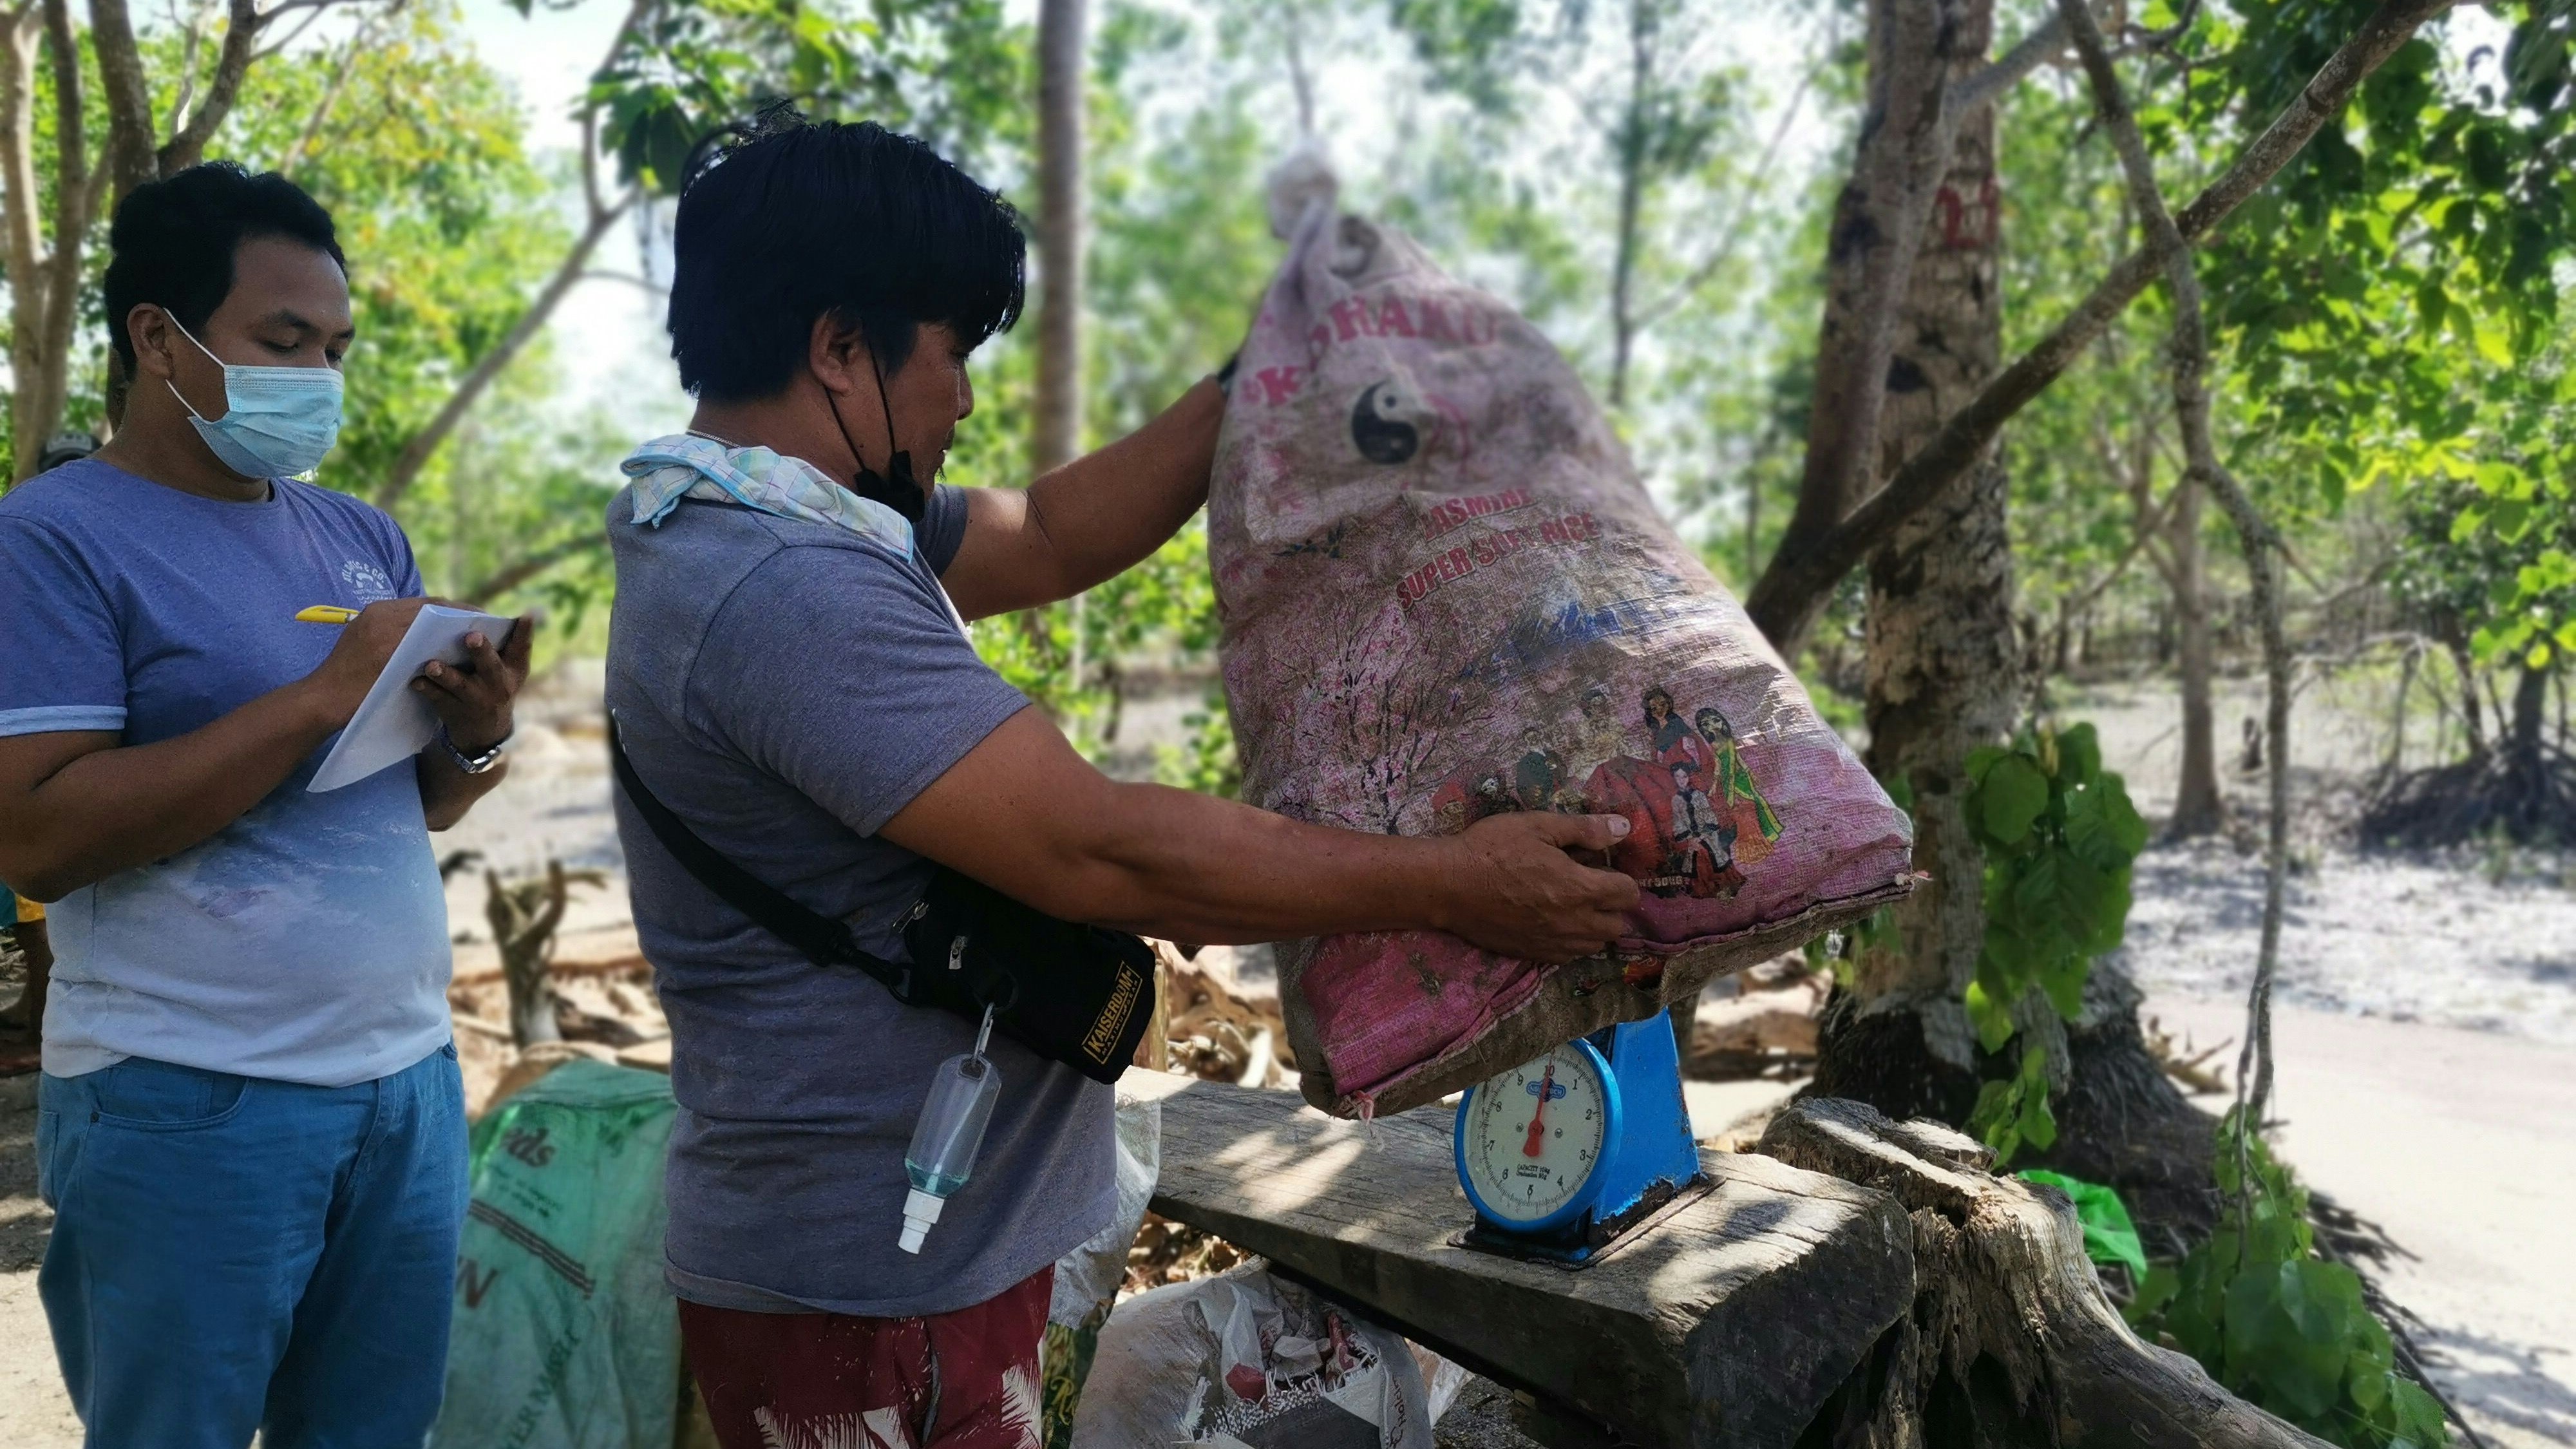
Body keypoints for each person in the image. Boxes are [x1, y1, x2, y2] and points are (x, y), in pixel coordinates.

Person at [606, 115, 1639, 1448]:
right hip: (863, 1290)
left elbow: (1040, 534)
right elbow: (1104, 852)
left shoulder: (783, 515)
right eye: (950, 352)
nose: (965, 399)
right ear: (837, 348)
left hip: (915, 1260)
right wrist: (1454, 884)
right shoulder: (781, 586)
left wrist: (1253, 372)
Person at [0, 162, 531, 1446]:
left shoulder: (360, 536)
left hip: (402, 1083)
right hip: (187, 1097)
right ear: (155, 338)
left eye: (334, 347)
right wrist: (312, 697)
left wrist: (478, 735)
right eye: (283, 341)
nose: (319, 376)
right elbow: (37, 835)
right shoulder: (52, 540)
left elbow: (420, 809)